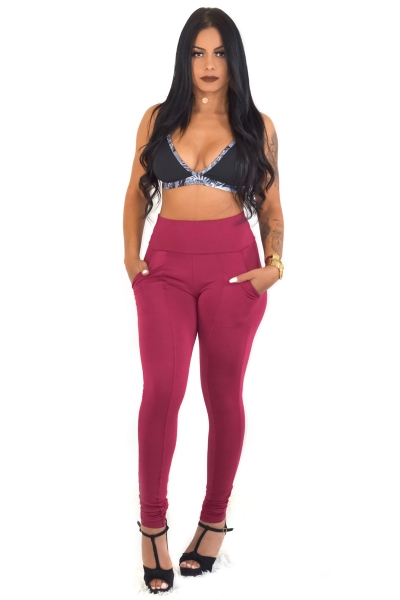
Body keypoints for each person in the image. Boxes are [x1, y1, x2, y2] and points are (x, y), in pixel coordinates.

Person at [123, 7, 284, 594]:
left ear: (233, 59)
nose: (209, 64)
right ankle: (152, 526)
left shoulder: (257, 125)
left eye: (219, 53)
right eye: (198, 53)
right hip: (164, 269)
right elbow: (135, 195)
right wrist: (133, 261)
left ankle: (214, 520)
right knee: (162, 391)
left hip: (234, 273)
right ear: (184, 59)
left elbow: (272, 208)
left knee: (222, 395)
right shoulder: (156, 119)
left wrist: (273, 268)